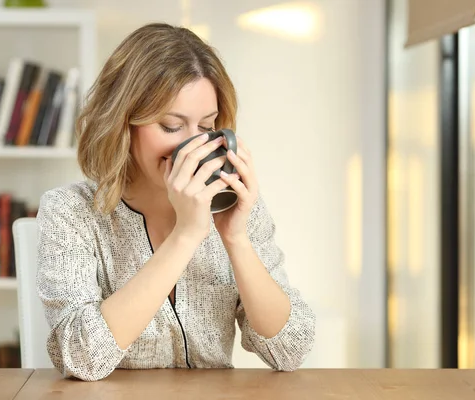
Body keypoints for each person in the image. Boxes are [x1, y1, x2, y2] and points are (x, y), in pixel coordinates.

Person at [36, 22, 316, 382]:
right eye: (171, 126)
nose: (192, 146)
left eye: (206, 126)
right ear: (123, 122)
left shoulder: (234, 205)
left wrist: (236, 239)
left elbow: (290, 350)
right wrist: (185, 235)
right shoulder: (70, 211)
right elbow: (80, 357)